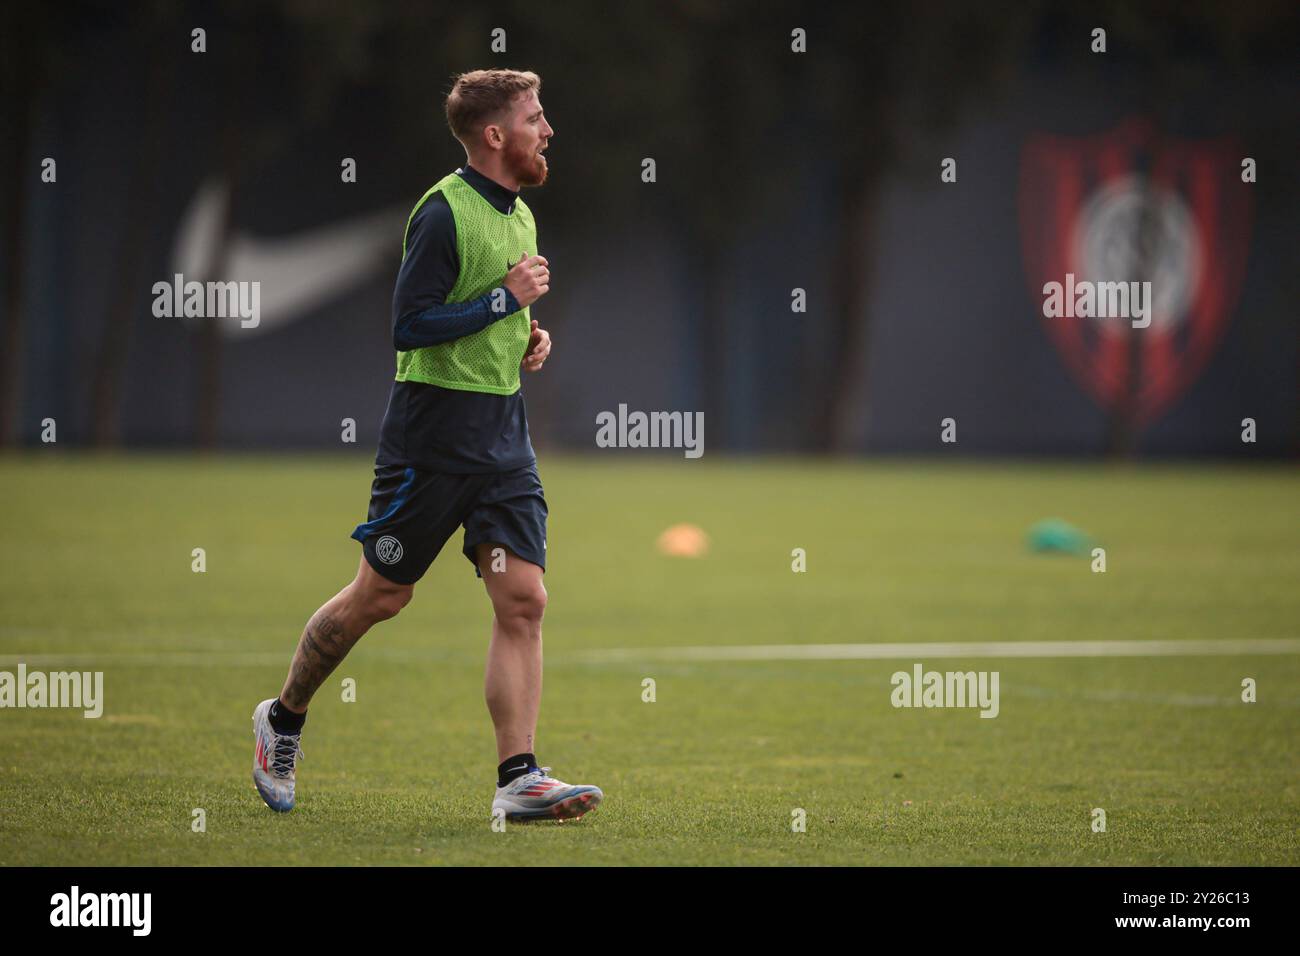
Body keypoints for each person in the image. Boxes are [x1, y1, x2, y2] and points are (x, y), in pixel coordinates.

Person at [250, 68, 602, 823]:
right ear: (494, 135)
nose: (549, 130)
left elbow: (489, 317)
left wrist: (526, 337)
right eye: (536, 118)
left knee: (525, 599)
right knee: (382, 595)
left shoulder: (522, 216)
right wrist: (505, 300)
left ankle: (519, 777)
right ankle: (282, 720)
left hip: (503, 439)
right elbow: (409, 326)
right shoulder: (442, 213)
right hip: (432, 440)